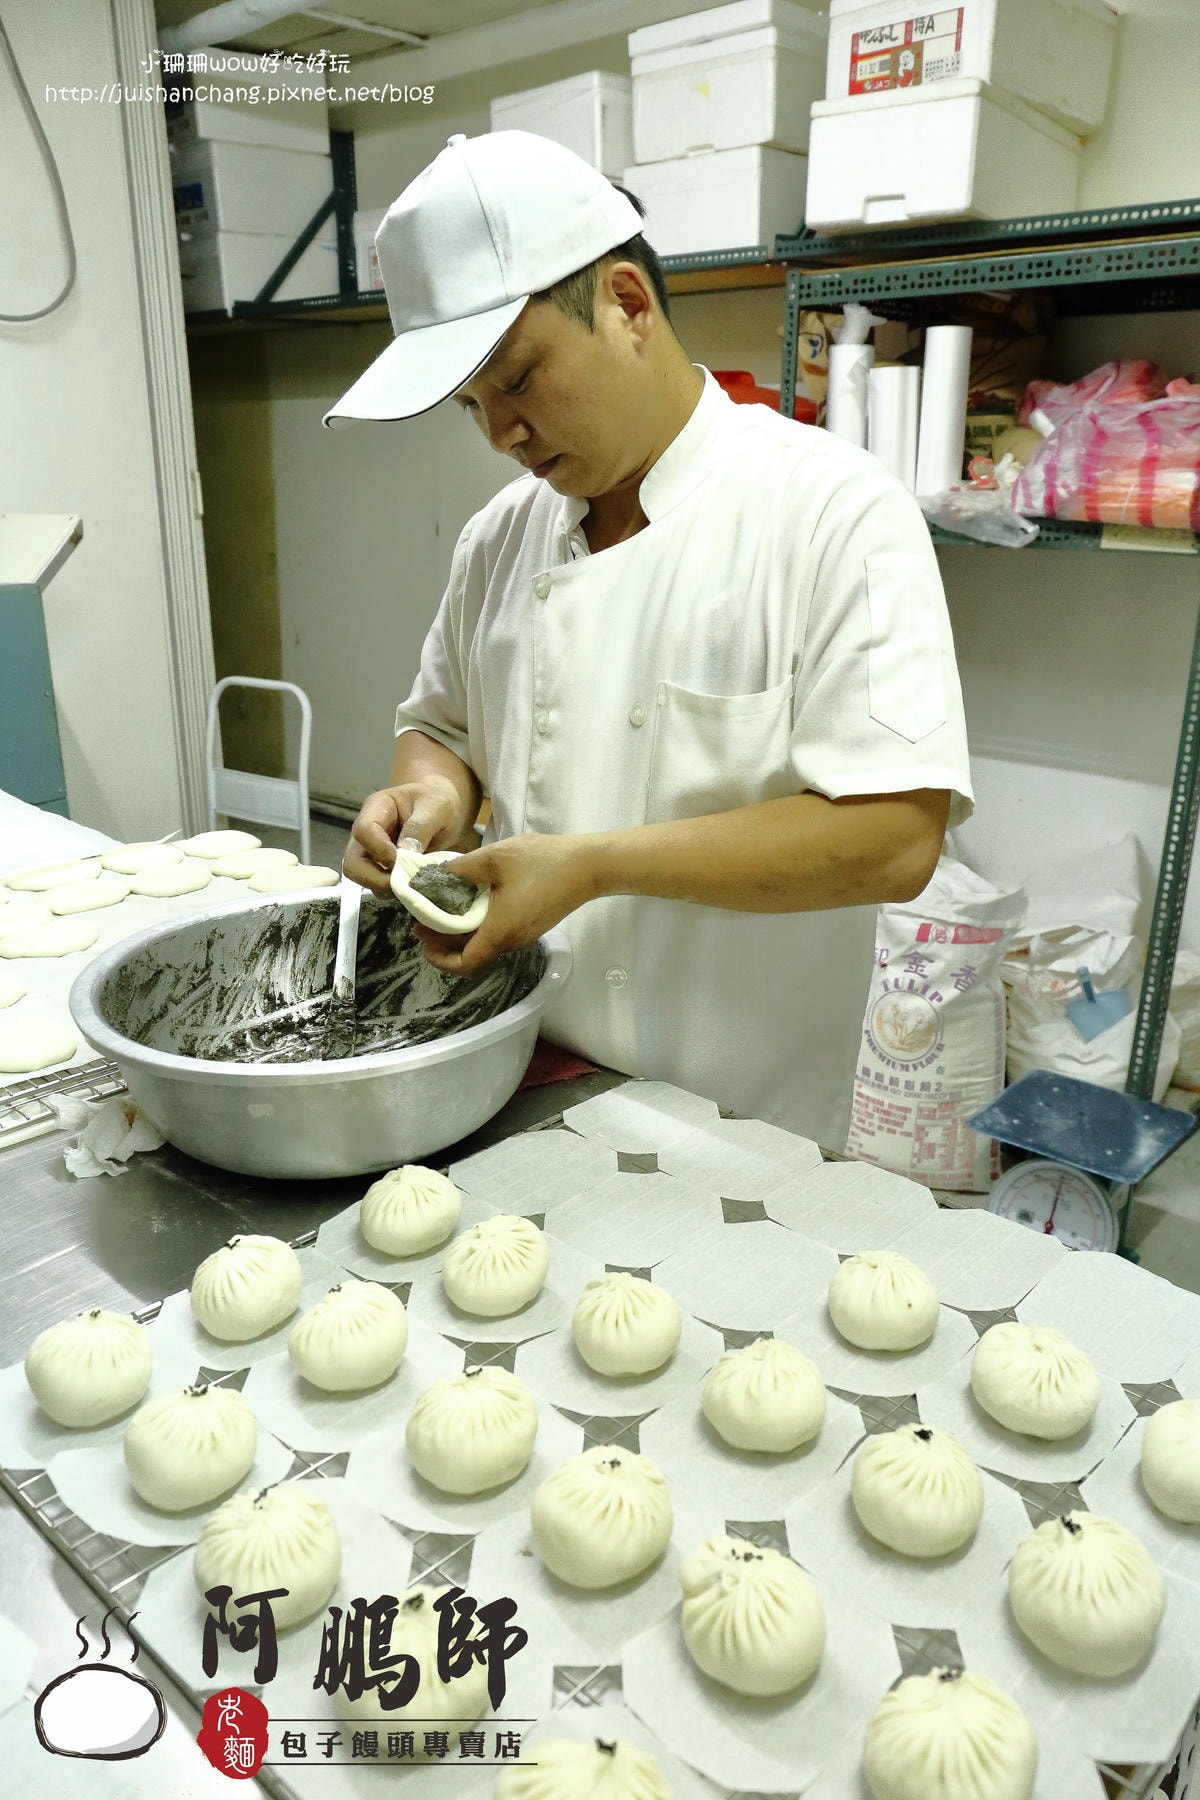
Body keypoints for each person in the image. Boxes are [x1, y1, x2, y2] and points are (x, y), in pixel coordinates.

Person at [327, 129, 973, 1150]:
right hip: (527, 1081)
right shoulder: (501, 538)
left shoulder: (831, 510)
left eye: (520, 378)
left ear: (627, 303)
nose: (501, 433)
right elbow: (440, 725)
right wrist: (432, 800)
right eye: (471, 406)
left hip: (753, 1119)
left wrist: (591, 866)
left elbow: (894, 837)